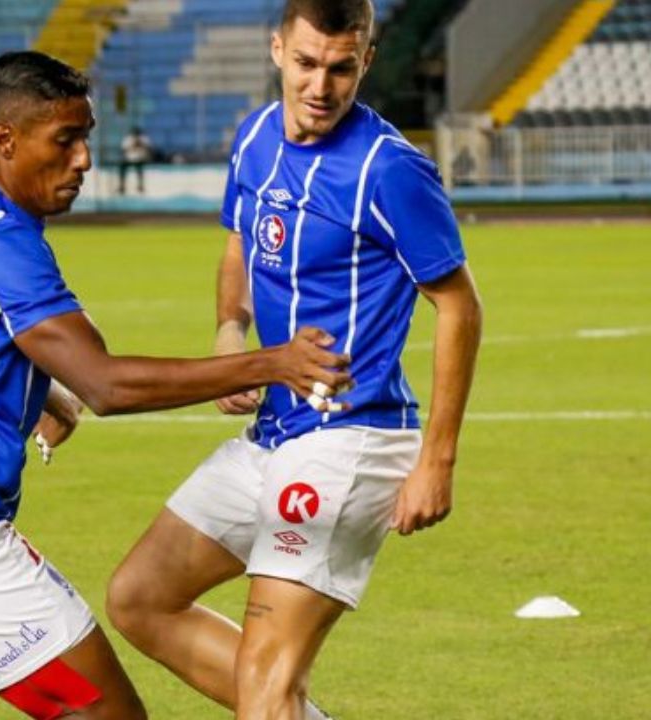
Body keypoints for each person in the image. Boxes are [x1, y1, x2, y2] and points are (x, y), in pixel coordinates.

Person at [0, 50, 353, 720]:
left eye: (86, 138)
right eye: (65, 140)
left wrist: (43, 394)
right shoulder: (5, 248)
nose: (83, 159)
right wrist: (270, 363)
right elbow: (107, 384)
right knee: (108, 715)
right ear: (6, 139)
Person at [105, 2, 483, 719]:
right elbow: (239, 244)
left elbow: (461, 307)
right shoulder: (253, 138)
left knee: (267, 685)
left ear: (366, 62)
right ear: (278, 50)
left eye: (342, 68)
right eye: (307, 63)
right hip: (274, 433)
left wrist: (437, 460)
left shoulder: (390, 170)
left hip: (349, 438)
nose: (321, 86)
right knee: (140, 598)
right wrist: (230, 330)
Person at [118, 126, 152, 195]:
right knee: (122, 167)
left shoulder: (144, 139)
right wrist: (132, 146)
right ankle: (122, 186)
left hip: (140, 159)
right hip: (129, 159)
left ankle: (140, 186)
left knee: (139, 168)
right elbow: (123, 150)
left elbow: (149, 149)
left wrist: (141, 145)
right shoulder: (128, 139)